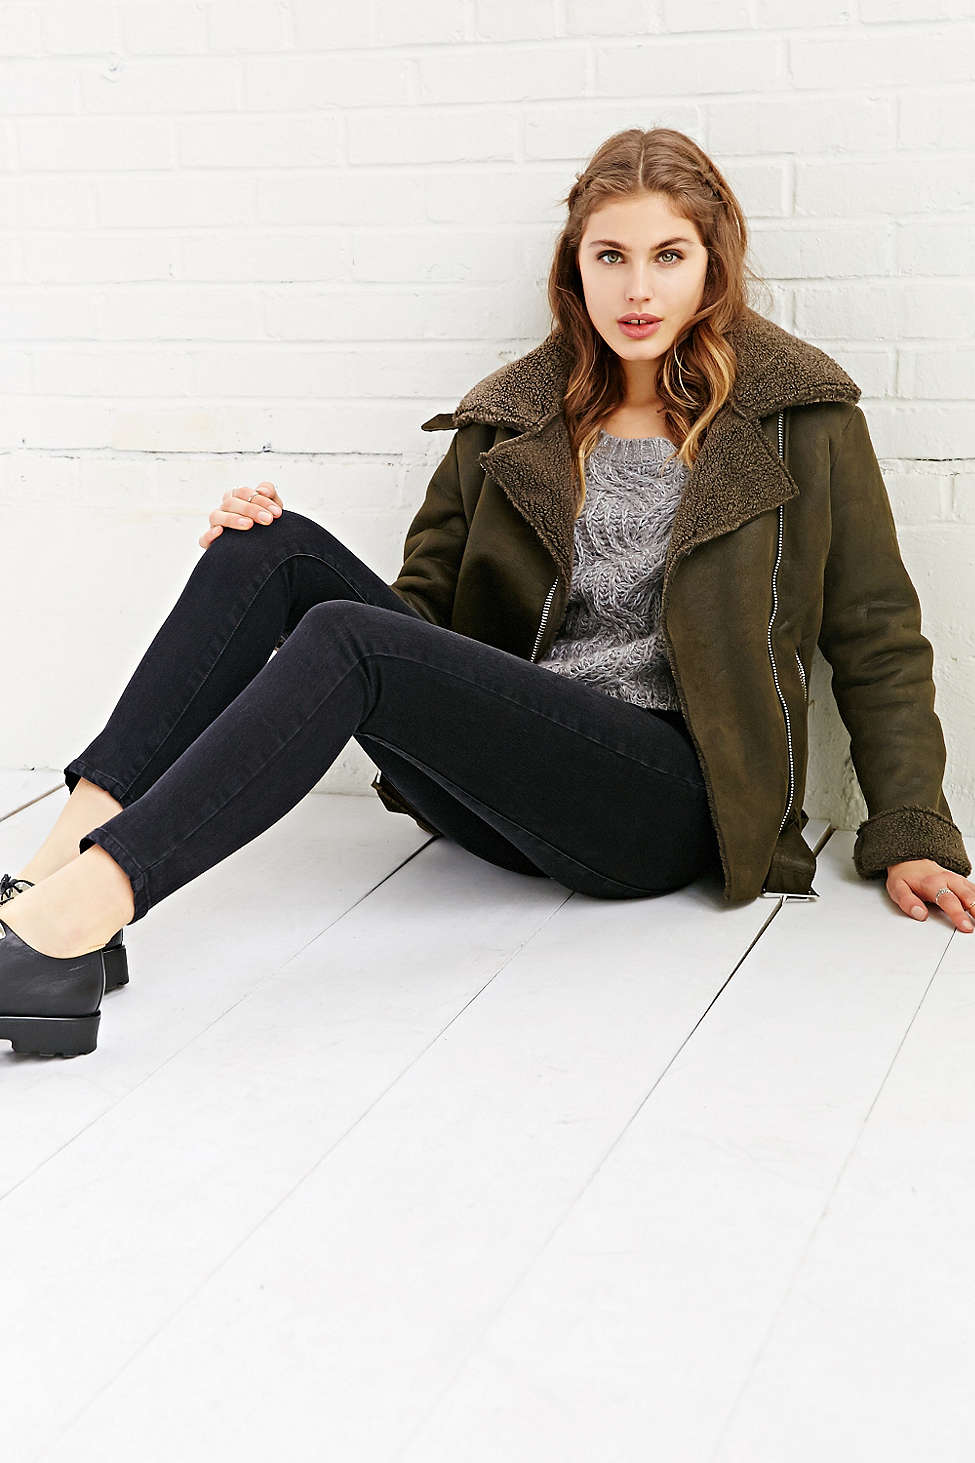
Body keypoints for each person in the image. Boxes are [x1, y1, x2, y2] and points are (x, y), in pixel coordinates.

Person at [2, 126, 972, 1059]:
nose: (638, 289)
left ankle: (73, 923)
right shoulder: (509, 422)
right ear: (573, 267)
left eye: (669, 256)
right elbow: (418, 620)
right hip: (510, 780)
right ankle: (43, 890)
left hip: (666, 800)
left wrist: (911, 827)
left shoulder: (800, 420)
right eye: (610, 256)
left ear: (713, 266)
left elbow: (876, 633)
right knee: (269, 546)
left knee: (346, 635)